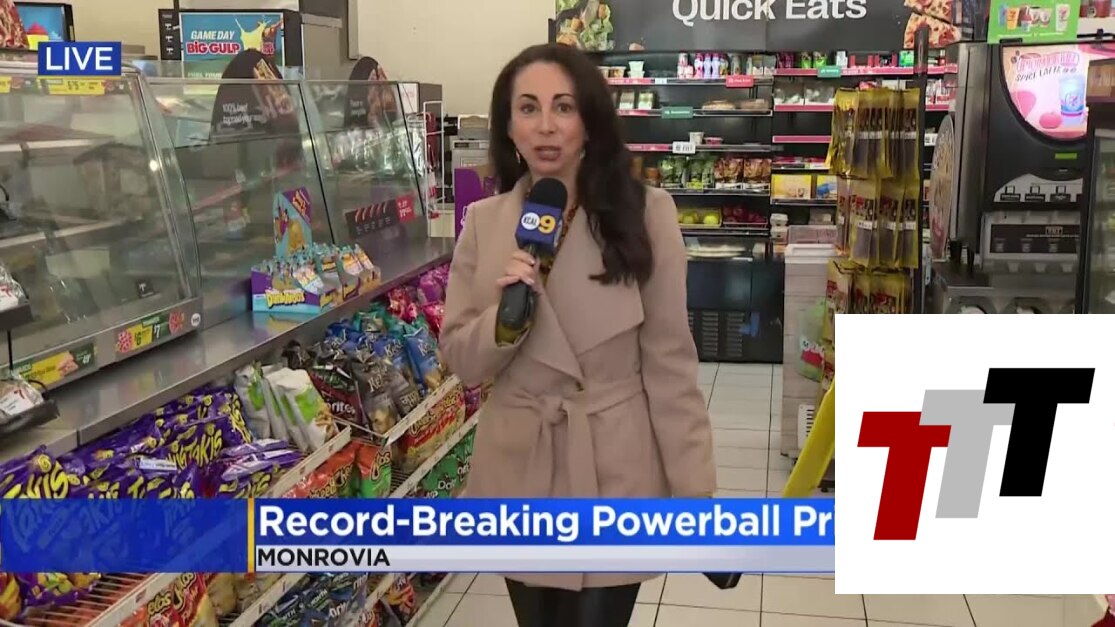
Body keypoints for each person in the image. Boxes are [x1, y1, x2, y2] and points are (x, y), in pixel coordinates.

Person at [440, 43, 716, 627]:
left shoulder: (647, 215)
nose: (546, 126)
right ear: (508, 126)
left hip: (614, 468)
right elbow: (461, 360)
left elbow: (671, 367)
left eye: (563, 107)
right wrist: (504, 322)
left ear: (589, 121)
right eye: (528, 108)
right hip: (520, 468)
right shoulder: (484, 225)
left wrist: (698, 502)